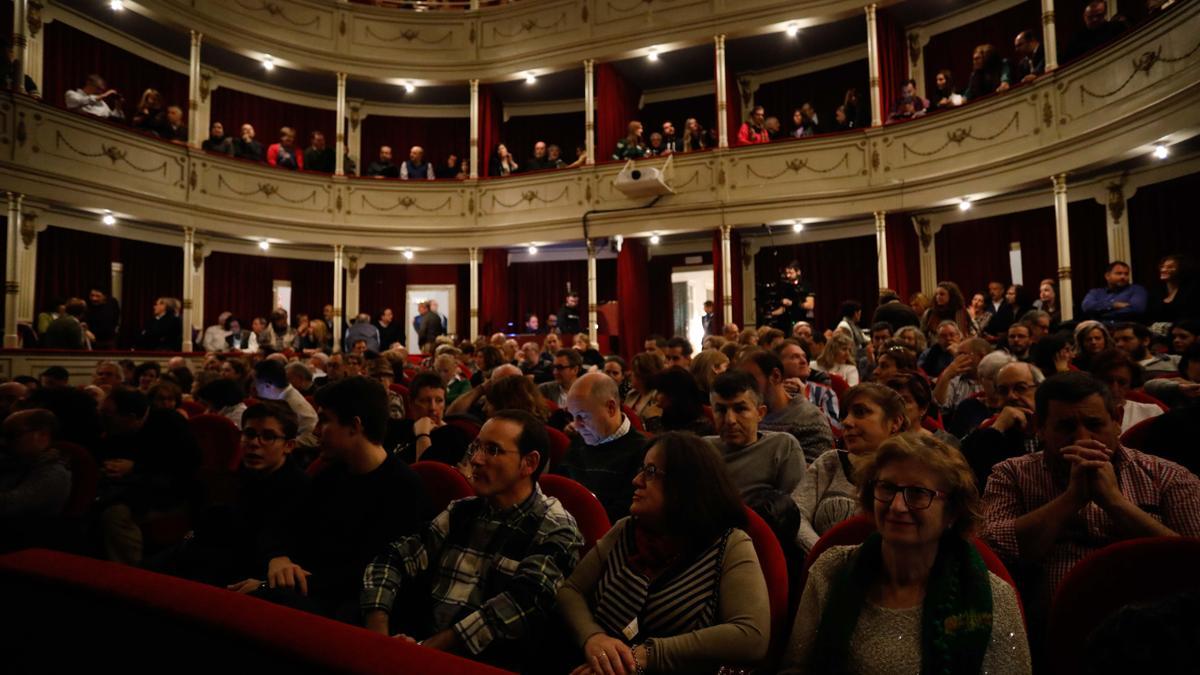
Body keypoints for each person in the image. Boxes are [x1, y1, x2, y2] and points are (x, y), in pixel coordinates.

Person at [781, 433, 1031, 674]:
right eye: (887, 488)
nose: (897, 506)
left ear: (953, 512)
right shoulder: (831, 570)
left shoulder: (994, 597)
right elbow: (796, 669)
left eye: (918, 493)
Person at [981, 372, 1200, 634]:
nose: (1082, 437)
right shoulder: (1011, 474)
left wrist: (1115, 503)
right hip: (1046, 633)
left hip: (1160, 632)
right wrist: (1071, 499)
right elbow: (992, 553)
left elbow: (1192, 562)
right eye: (1066, 427)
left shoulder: (1169, 477)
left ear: (1117, 420)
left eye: (1094, 424)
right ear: (1040, 426)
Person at [362, 409, 582, 670]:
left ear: (529, 463)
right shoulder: (462, 511)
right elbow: (393, 558)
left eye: (493, 450)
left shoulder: (555, 528)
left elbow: (513, 610)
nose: (475, 459)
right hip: (419, 646)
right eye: (476, 447)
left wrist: (421, 652)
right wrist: (379, 635)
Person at [557, 432, 770, 674]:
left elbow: (751, 636)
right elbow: (571, 591)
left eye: (650, 472)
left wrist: (642, 656)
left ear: (685, 485)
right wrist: (593, 638)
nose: (636, 480)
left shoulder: (729, 544)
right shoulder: (626, 529)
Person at [228, 377, 431, 620]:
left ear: (355, 426)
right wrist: (277, 557)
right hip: (308, 592)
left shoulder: (403, 489)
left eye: (324, 420)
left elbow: (364, 578)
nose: (314, 430)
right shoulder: (331, 474)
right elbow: (284, 525)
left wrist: (270, 586)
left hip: (351, 610)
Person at [154, 402, 310, 585]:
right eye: (249, 434)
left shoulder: (299, 488)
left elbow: (274, 544)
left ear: (289, 446)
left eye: (268, 437)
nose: (254, 443)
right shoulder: (242, 473)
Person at [792, 383, 908, 553]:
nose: (846, 422)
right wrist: (825, 556)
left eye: (860, 412)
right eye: (845, 415)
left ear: (895, 422)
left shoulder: (913, 473)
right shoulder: (830, 462)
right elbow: (797, 515)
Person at [554, 373, 647, 522]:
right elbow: (557, 492)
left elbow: (621, 518)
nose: (576, 426)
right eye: (572, 416)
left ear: (610, 408)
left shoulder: (642, 452)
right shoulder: (580, 441)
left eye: (582, 416)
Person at [705, 370, 807, 502]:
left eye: (740, 409)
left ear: (760, 413)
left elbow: (797, 509)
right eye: (721, 410)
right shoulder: (703, 451)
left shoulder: (782, 447)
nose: (730, 420)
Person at [960, 362, 1045, 492]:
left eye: (1020, 388)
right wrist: (997, 428)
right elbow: (969, 470)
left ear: (1039, 390)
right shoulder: (989, 429)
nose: (1011, 396)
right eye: (1003, 391)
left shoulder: (1055, 426)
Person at [0, 409, 71, 524]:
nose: (3, 441)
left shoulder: (54, 473)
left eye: (12, 435)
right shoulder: (14, 460)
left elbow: (10, 504)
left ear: (42, 435)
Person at [1090, 349, 1163, 432]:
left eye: (1122, 383)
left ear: (1131, 383)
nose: (1114, 389)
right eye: (1108, 381)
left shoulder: (1151, 412)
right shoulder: (1084, 413)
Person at [252, 360, 319, 447]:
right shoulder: (277, 398)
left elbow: (313, 438)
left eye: (256, 382)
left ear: (268, 385)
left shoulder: (295, 404)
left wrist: (282, 446)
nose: (253, 386)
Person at [644, 367, 714, 436]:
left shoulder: (699, 426)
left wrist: (654, 421)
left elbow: (666, 444)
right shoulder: (667, 417)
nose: (655, 396)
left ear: (674, 395)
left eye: (659, 392)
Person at [1081, 261, 1148, 322]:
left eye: (1126, 274)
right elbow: (1087, 306)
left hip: (1124, 327)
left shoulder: (1137, 290)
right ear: (1107, 276)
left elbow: (1136, 310)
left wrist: (1098, 314)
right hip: (1100, 329)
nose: (1123, 277)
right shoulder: (1095, 292)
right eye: (1118, 273)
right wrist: (1113, 305)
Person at [1063, 0, 1127, 63]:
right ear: (1084, 16)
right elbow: (1066, 60)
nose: (1095, 19)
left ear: (1105, 14)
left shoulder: (1116, 28)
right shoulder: (1077, 38)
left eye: (1099, 15)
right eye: (1090, 16)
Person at [1149, 254, 1199, 326]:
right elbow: (1149, 317)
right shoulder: (1155, 291)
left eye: (1170, 267)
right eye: (1162, 267)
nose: (1163, 270)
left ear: (1182, 269)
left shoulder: (1192, 290)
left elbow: (1192, 318)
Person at [1112, 322, 1178, 374]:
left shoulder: (1174, 361)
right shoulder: (1113, 368)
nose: (1119, 344)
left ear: (1145, 341)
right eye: (1116, 340)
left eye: (1126, 339)